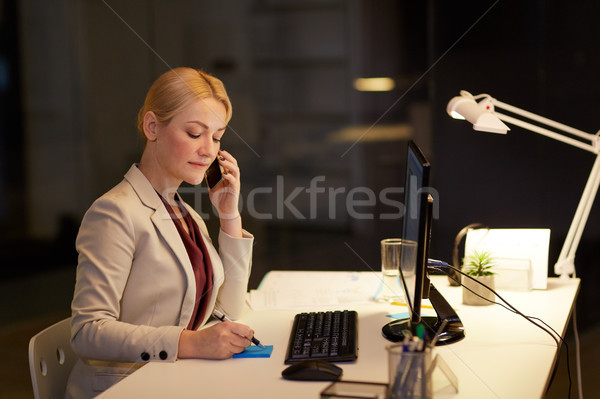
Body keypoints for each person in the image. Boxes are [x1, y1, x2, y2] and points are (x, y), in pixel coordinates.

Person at [65, 67, 255, 398]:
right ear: (152, 127)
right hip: (125, 388)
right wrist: (191, 342)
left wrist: (228, 215)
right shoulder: (114, 212)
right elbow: (88, 332)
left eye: (217, 136)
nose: (209, 150)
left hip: (174, 381)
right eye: (195, 133)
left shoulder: (186, 214)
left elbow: (229, 310)